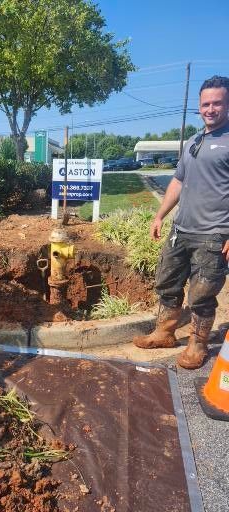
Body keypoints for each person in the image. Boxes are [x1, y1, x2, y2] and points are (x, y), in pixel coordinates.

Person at [133, 75, 229, 369]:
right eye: (205, 104)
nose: (210, 109)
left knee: (201, 294)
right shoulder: (194, 141)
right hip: (181, 230)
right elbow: (178, 180)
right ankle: (164, 332)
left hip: (213, 234)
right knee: (168, 283)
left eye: (217, 103)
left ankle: (197, 344)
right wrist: (161, 215)